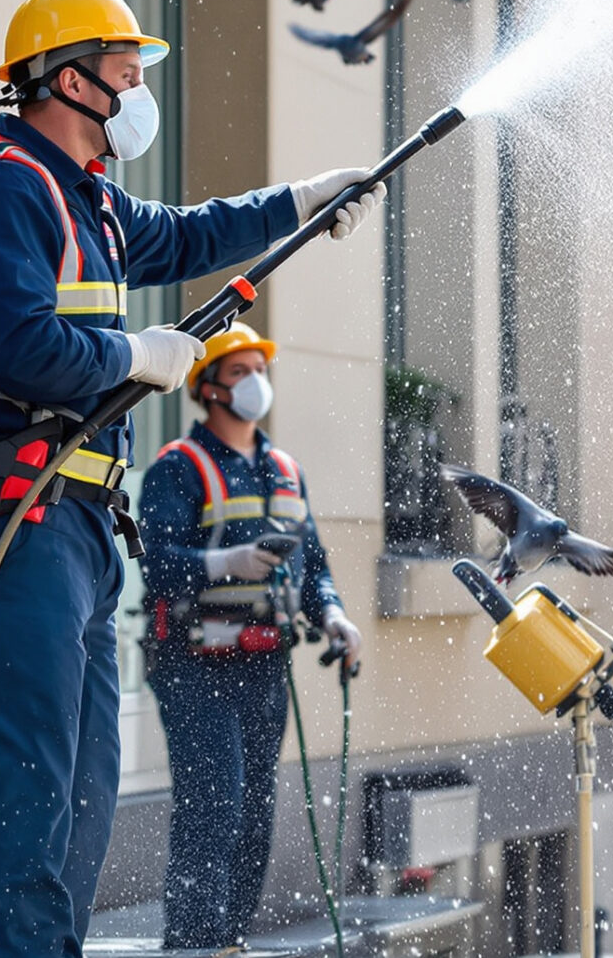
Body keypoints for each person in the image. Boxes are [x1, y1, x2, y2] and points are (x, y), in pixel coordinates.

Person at [0, 0, 382, 958]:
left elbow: (192, 234)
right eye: (127, 73)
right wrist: (135, 355)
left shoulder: (91, 201)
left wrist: (302, 201)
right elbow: (19, 348)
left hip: (68, 524)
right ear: (71, 80)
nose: (138, 93)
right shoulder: (3, 187)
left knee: (70, 784)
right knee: (25, 779)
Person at [136, 323, 366, 951]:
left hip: (264, 665)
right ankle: (193, 943)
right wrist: (225, 562)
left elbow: (313, 567)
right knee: (215, 804)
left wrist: (334, 616)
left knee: (255, 814)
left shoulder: (286, 471)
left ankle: (230, 940)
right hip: (192, 662)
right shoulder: (178, 467)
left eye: (258, 370)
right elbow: (155, 564)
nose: (254, 383)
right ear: (207, 387)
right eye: (239, 372)